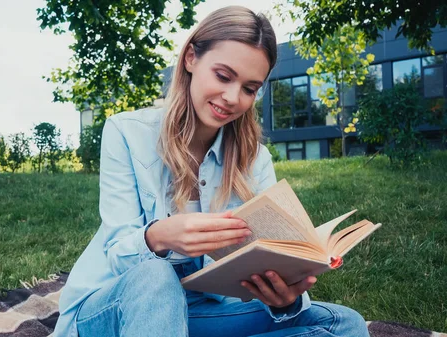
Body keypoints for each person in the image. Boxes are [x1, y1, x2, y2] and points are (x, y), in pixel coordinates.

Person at [53, 6, 369, 337]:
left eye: (249, 88)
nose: (232, 98)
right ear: (191, 58)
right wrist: (158, 237)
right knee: (155, 275)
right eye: (223, 76)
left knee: (343, 324)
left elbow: (270, 256)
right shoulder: (126, 132)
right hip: (112, 309)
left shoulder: (255, 160)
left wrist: (283, 300)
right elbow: (118, 253)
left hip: (198, 311)